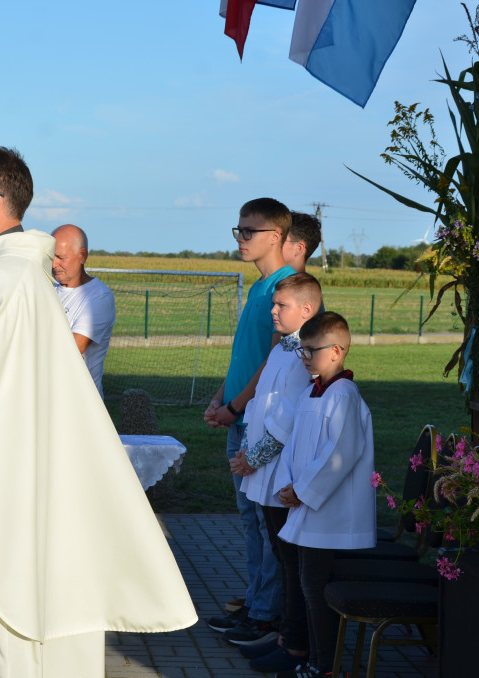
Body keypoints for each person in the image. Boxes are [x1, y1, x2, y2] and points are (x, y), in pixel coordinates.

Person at [0, 145, 195, 678]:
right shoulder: (16, 274)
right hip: (23, 473)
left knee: (4, 638)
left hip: (0, 500)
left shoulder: (6, 278)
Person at [204, 198, 295, 645]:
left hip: (257, 422)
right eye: (237, 230)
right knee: (248, 518)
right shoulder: (259, 286)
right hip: (241, 416)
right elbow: (244, 355)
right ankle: (256, 604)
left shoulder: (286, 287)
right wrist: (221, 396)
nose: (240, 239)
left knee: (264, 520)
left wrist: (236, 407)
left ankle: (267, 615)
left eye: (248, 231)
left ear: (275, 236)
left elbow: (274, 363)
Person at [272, 311, 376, 678]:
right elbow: (293, 445)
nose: (304, 359)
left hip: (330, 514)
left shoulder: (344, 396)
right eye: (301, 352)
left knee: (316, 592)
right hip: (307, 506)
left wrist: (302, 490)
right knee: (309, 588)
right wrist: (288, 485)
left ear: (335, 351)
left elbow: (340, 455)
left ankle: (324, 667)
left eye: (309, 352)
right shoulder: (313, 393)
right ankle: (315, 661)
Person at [228, 273, 323, 673]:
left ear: (306, 310)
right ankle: (286, 636)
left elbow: (287, 418)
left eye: (280, 305)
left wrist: (255, 456)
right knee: (283, 560)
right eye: (273, 304)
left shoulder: (306, 353)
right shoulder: (283, 349)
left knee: (291, 562)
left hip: (282, 471)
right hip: (264, 467)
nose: (272, 311)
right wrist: (248, 448)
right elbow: (260, 407)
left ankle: (296, 644)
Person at [51, 224, 116, 398]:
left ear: (82, 256)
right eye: (51, 256)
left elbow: (69, 351)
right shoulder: (46, 290)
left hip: (80, 406)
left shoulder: (98, 298)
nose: (54, 263)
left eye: (60, 257)